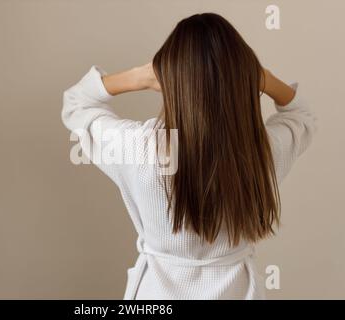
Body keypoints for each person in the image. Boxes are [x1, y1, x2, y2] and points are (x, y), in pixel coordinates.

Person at [61, 13, 318, 299]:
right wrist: (263, 78)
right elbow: (302, 114)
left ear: (166, 74)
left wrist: (140, 76)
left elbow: (76, 103)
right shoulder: (262, 151)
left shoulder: (139, 149)